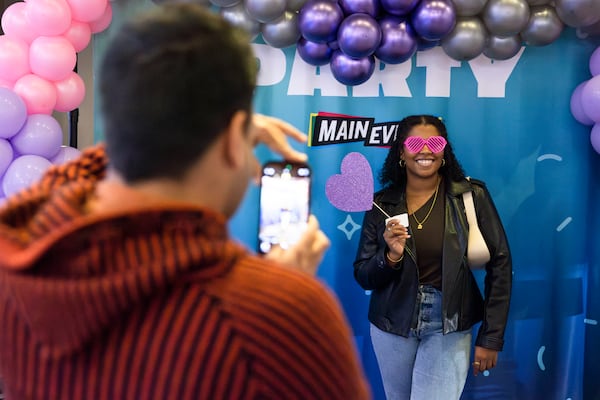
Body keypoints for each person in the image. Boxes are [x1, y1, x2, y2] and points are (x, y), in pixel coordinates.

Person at [0, 4, 371, 400]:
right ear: (233, 140)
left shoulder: (19, 251)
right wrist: (284, 298)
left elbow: (62, 183)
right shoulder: (275, 314)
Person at [353, 115, 512, 399]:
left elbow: (501, 265)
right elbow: (364, 274)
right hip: (392, 324)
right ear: (401, 152)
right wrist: (390, 256)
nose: (425, 150)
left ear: (444, 151)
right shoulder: (381, 203)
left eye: (435, 142)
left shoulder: (470, 195)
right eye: (415, 142)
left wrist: (491, 337)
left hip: (449, 324)